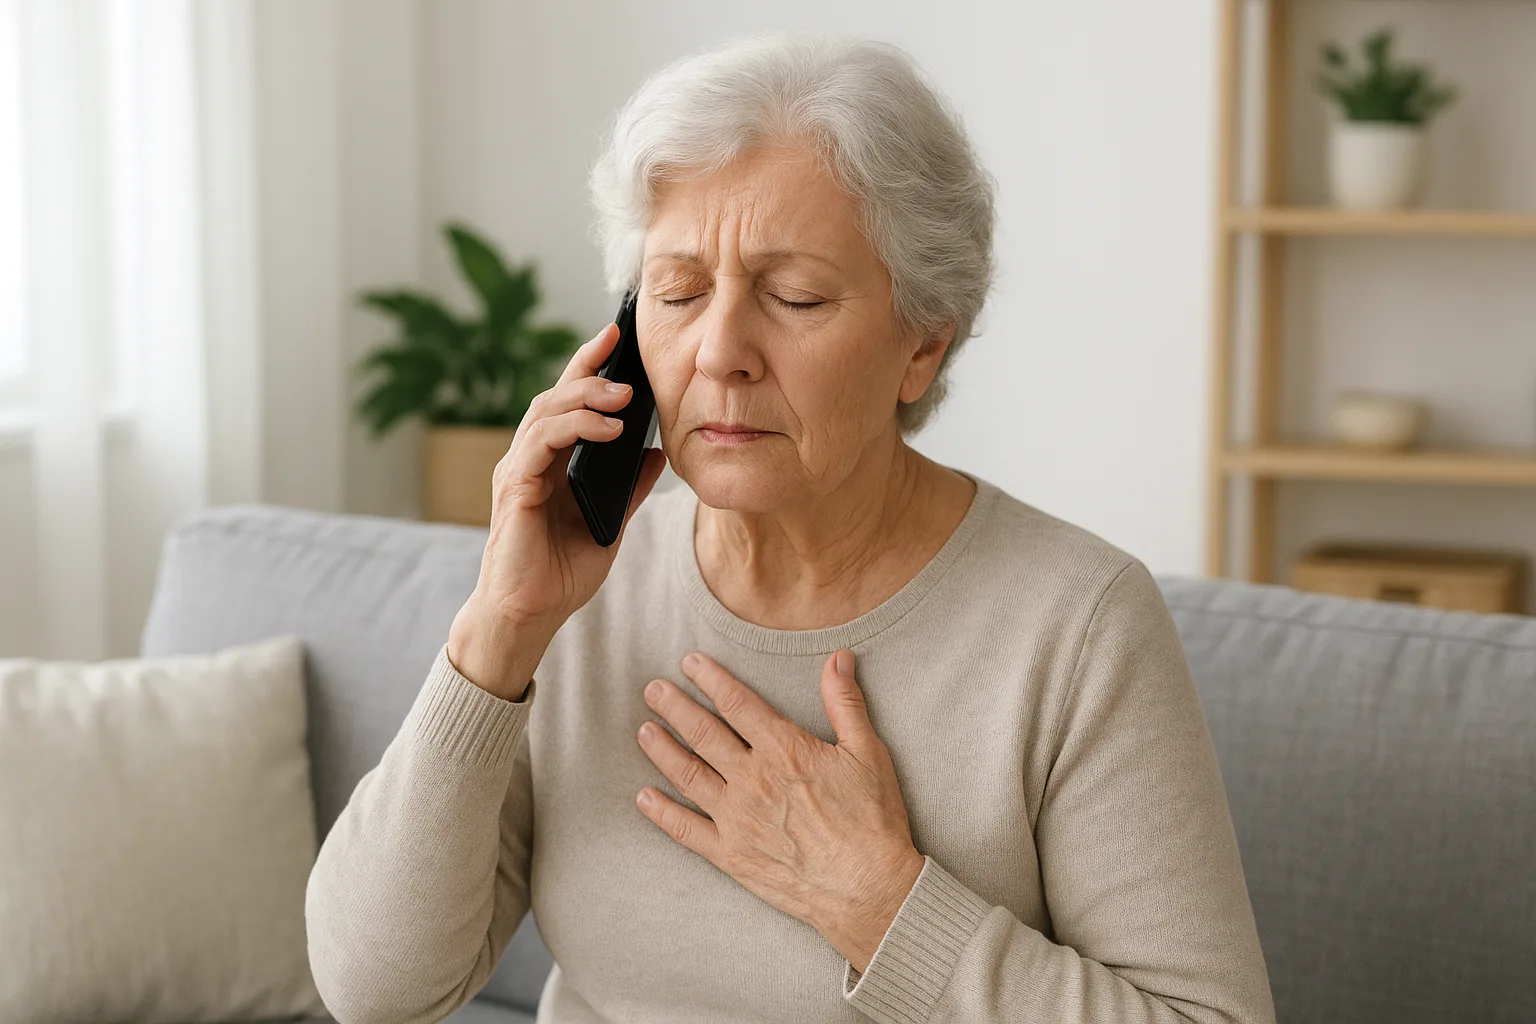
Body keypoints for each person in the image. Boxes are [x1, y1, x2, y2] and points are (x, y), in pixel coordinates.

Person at [306, 31, 1275, 1024]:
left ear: (922, 344)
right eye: (679, 293)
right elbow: (375, 990)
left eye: (795, 296)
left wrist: (877, 901)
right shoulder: (581, 588)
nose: (719, 350)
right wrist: (499, 629)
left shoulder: (1079, 625)